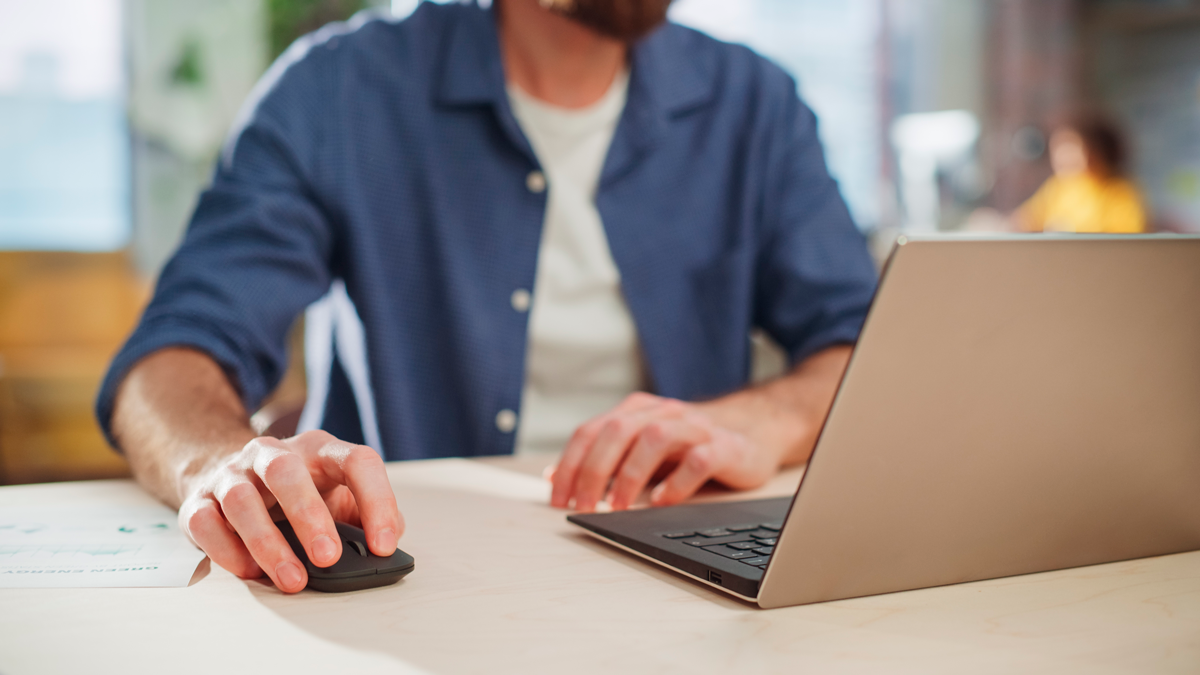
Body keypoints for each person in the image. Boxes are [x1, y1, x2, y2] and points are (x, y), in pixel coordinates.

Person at [97, 0, 877, 594]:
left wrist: (765, 418)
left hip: (690, 581)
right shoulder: (339, 91)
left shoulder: (755, 104)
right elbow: (172, 354)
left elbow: (866, 346)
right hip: (418, 585)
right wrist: (217, 463)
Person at [1015, 115, 1148, 234]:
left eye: (1070, 149)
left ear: (1097, 151)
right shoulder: (1059, 187)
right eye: (1056, 150)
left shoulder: (1120, 190)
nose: (1060, 158)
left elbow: (1126, 236)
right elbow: (1026, 218)